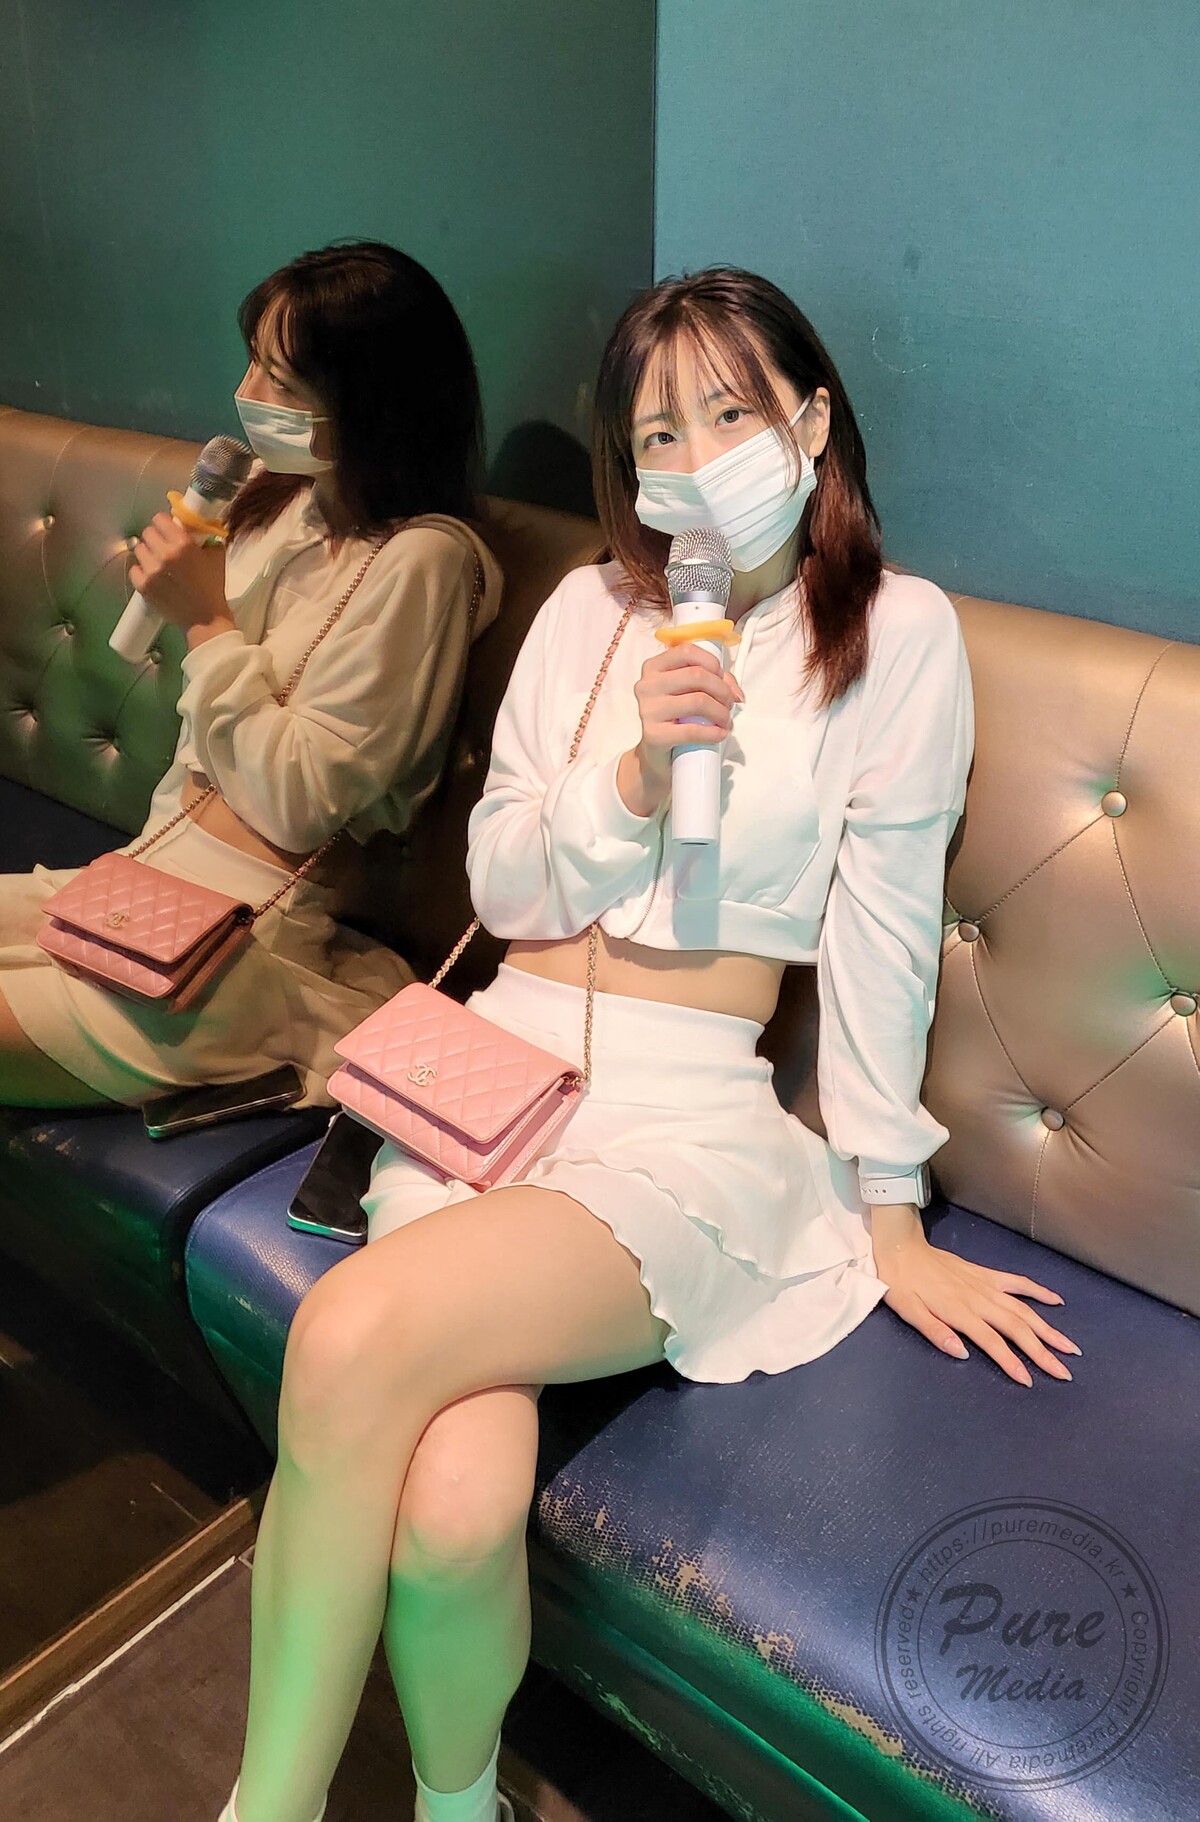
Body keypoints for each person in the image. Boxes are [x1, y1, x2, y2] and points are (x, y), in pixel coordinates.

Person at [219, 268, 1080, 1822]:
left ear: (811, 420)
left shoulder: (897, 635)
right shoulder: (589, 612)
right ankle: (460, 1805)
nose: (693, 457)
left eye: (731, 412)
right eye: (658, 430)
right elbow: (502, 883)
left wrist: (892, 1215)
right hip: (499, 1082)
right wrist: (629, 777)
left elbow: (882, 945)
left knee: (347, 1337)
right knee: (454, 1510)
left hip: (683, 1127)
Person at [0, 241, 501, 1109]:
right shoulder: (280, 500)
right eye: (254, 362)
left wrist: (204, 621)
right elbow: (206, 744)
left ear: (369, 402)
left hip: (244, 943)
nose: (248, 392)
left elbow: (300, 803)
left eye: (282, 379)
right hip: (140, 883)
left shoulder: (425, 561)